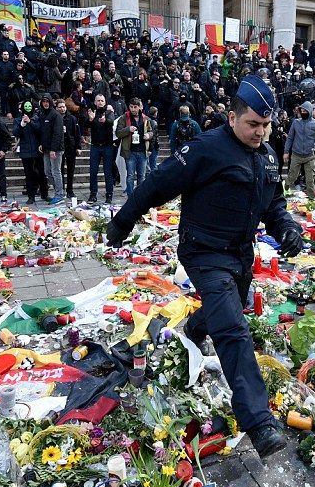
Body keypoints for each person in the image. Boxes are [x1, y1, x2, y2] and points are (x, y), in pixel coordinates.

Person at [105, 74, 304, 460]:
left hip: (240, 255)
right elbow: (156, 184)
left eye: (266, 125)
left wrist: (287, 227)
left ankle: (192, 329)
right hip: (203, 252)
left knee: (222, 312)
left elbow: (273, 203)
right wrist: (123, 221)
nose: (260, 132)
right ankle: (258, 421)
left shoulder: (264, 154)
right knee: (232, 328)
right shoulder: (206, 148)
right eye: (253, 124)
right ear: (232, 117)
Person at [284, 101, 315, 198]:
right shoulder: (296, 122)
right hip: (296, 154)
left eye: (305, 111)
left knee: (310, 179)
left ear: (310, 111)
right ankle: (283, 190)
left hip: (309, 155)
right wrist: (286, 152)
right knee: (292, 176)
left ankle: (311, 199)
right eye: (301, 110)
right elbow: (290, 137)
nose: (303, 112)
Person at [116, 97, 154, 198]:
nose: (133, 109)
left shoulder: (145, 118)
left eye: (135, 107)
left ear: (139, 107)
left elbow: (152, 131)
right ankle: (130, 197)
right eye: (131, 107)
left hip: (142, 151)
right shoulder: (124, 117)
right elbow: (118, 133)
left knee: (142, 176)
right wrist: (128, 129)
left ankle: (140, 197)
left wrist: (149, 135)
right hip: (130, 151)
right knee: (130, 176)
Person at [13, 100, 45, 205]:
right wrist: (22, 124)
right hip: (26, 151)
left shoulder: (37, 119)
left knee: (41, 173)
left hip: (37, 150)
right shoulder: (18, 120)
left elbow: (40, 131)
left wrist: (30, 122)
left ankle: (44, 193)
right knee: (29, 174)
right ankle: (31, 196)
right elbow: (16, 133)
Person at [86, 94, 116, 204]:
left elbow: (112, 121)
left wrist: (105, 121)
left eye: (102, 100)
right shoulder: (92, 112)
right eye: (98, 100)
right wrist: (90, 119)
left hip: (107, 146)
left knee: (108, 172)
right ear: (95, 102)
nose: (100, 102)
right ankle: (93, 195)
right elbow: (86, 125)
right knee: (93, 171)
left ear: (105, 102)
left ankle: (109, 195)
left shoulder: (109, 112)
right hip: (95, 146)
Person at [37, 96, 65, 204]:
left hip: (55, 149)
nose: (45, 103)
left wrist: (54, 149)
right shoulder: (43, 114)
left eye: (47, 101)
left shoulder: (55, 115)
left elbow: (57, 133)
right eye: (43, 101)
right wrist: (41, 144)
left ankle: (59, 194)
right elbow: (43, 132)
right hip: (46, 148)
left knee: (56, 171)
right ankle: (58, 190)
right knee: (47, 171)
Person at [58, 99, 82, 199]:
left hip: (70, 146)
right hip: (59, 147)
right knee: (60, 170)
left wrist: (78, 147)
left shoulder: (72, 118)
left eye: (63, 107)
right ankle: (61, 189)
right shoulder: (55, 118)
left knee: (70, 170)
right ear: (56, 108)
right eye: (60, 107)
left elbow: (77, 133)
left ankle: (70, 190)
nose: (62, 109)